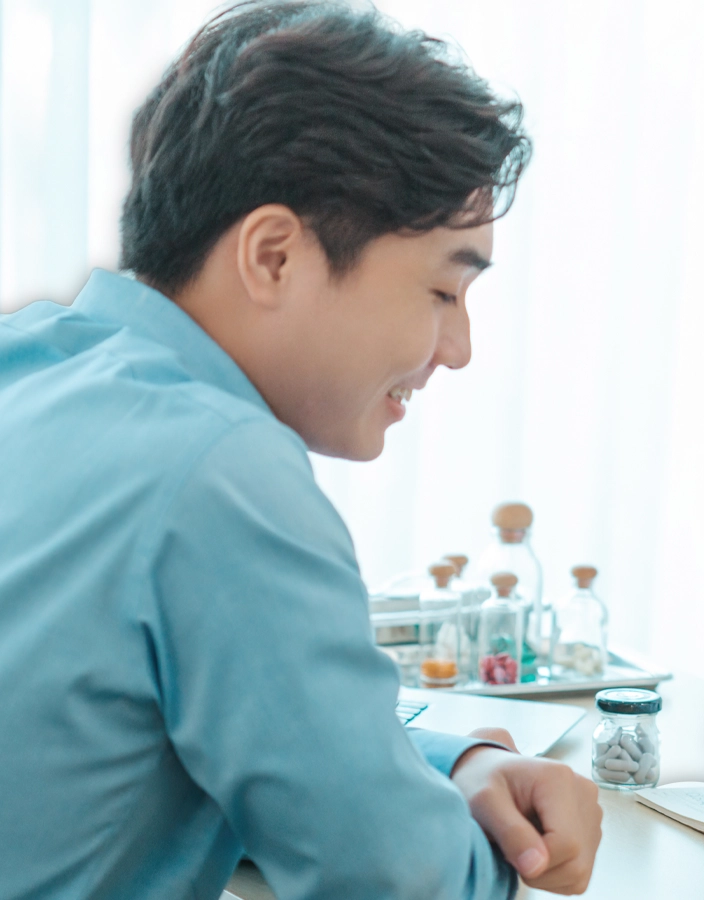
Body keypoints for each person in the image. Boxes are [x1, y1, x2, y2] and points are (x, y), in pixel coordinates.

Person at [0, 3, 601, 898]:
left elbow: (242, 736)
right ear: (275, 257)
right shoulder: (220, 471)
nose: (459, 348)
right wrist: (490, 849)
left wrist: (452, 764)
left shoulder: (31, 365)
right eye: (442, 289)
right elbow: (398, 879)